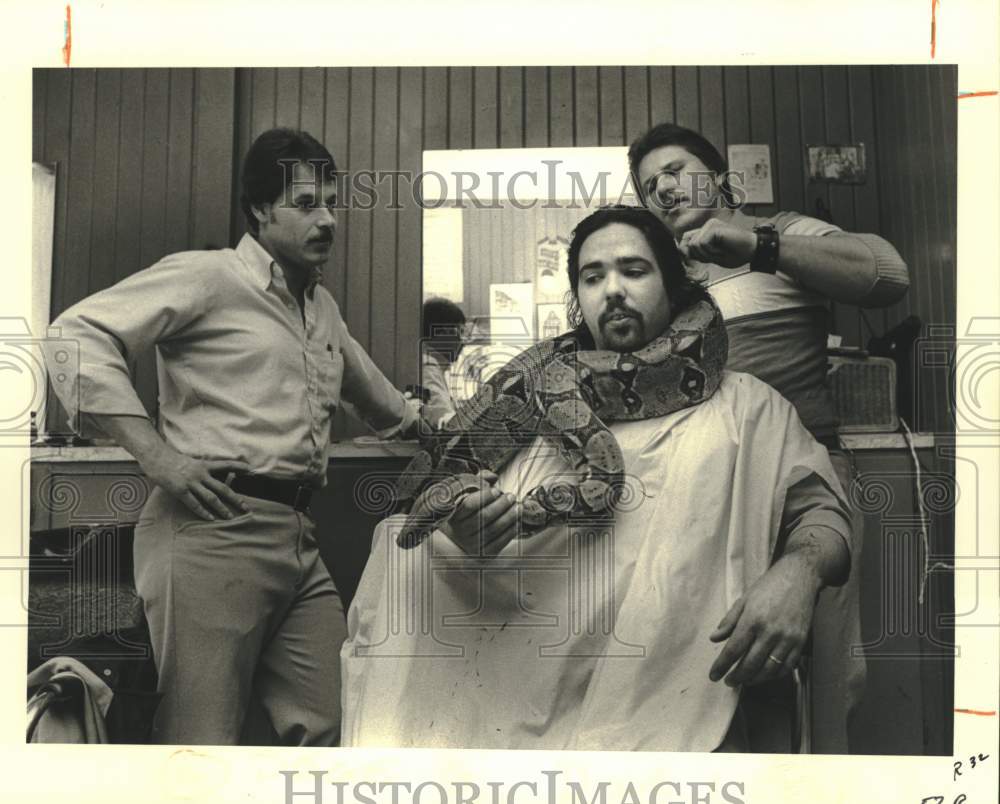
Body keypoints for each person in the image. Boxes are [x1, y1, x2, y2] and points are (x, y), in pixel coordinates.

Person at [341, 206, 852, 751]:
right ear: (577, 299)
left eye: (634, 270)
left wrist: (800, 573)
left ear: (676, 288)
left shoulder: (747, 407)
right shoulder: (530, 409)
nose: (612, 289)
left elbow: (824, 518)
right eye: (592, 276)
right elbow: (432, 526)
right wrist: (462, 533)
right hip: (528, 697)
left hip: (670, 687)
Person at [43, 127, 418, 746]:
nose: (326, 219)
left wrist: (452, 429)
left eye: (331, 202)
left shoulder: (320, 309)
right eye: (304, 204)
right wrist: (156, 456)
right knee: (200, 741)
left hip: (298, 540)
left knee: (341, 723)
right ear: (260, 210)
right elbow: (72, 336)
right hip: (208, 531)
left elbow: (382, 403)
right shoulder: (207, 277)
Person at [627, 122, 910, 752]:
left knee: (827, 676)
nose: (664, 188)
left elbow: (888, 276)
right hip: (699, 492)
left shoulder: (782, 232)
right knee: (715, 677)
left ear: (724, 178)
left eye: (675, 170)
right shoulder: (661, 277)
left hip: (809, 484)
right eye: (650, 186)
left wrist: (760, 244)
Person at [419, 297, 466, 430]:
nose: (463, 342)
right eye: (461, 332)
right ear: (445, 332)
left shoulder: (425, 363)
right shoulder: (427, 367)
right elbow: (445, 420)